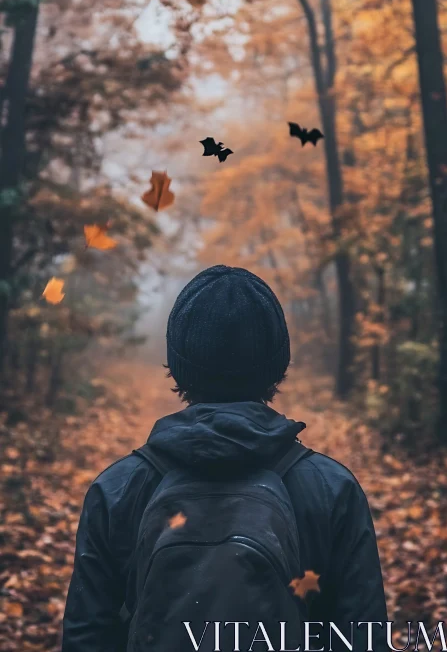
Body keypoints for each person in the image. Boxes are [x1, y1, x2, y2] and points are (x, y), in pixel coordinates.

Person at [62, 265, 387, 652]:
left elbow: (87, 638)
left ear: (179, 365)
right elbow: (363, 639)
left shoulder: (117, 490)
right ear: (277, 364)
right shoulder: (332, 490)